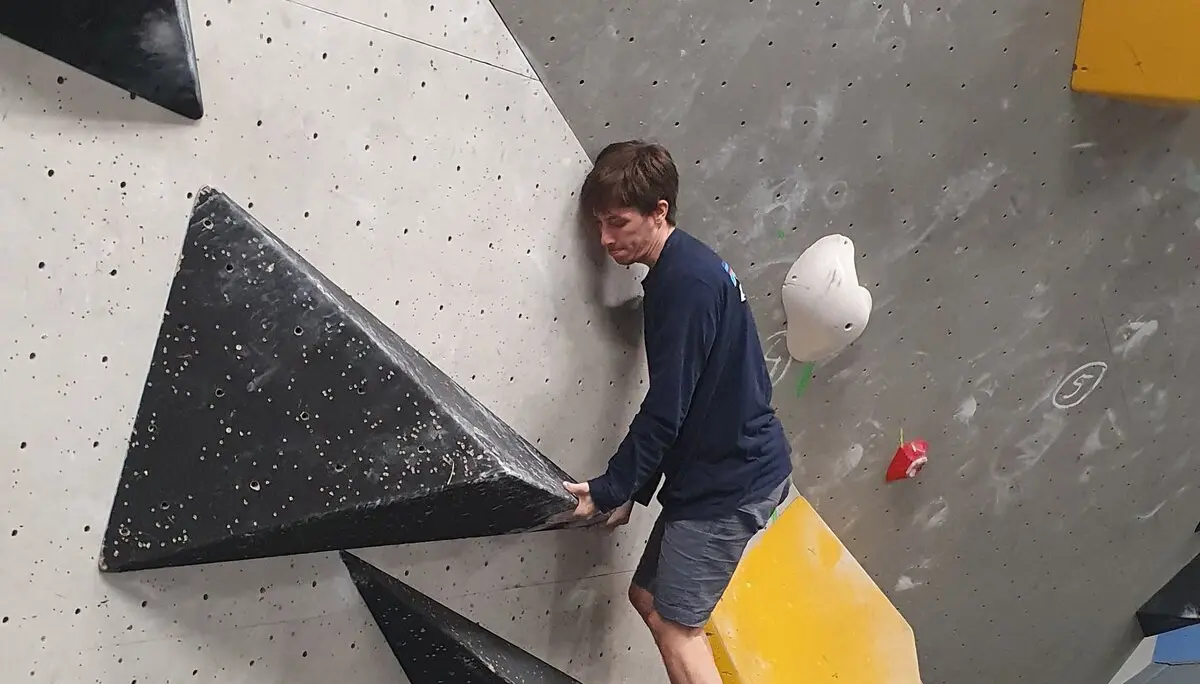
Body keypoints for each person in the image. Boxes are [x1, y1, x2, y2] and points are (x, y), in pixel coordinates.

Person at [563, 140, 794, 684]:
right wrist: (631, 493)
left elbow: (667, 407)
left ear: (658, 211)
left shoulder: (684, 286)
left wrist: (609, 487)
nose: (605, 239)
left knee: (675, 626)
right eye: (599, 225)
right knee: (647, 597)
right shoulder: (687, 267)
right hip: (714, 473)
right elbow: (692, 402)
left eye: (617, 223)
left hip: (730, 483)